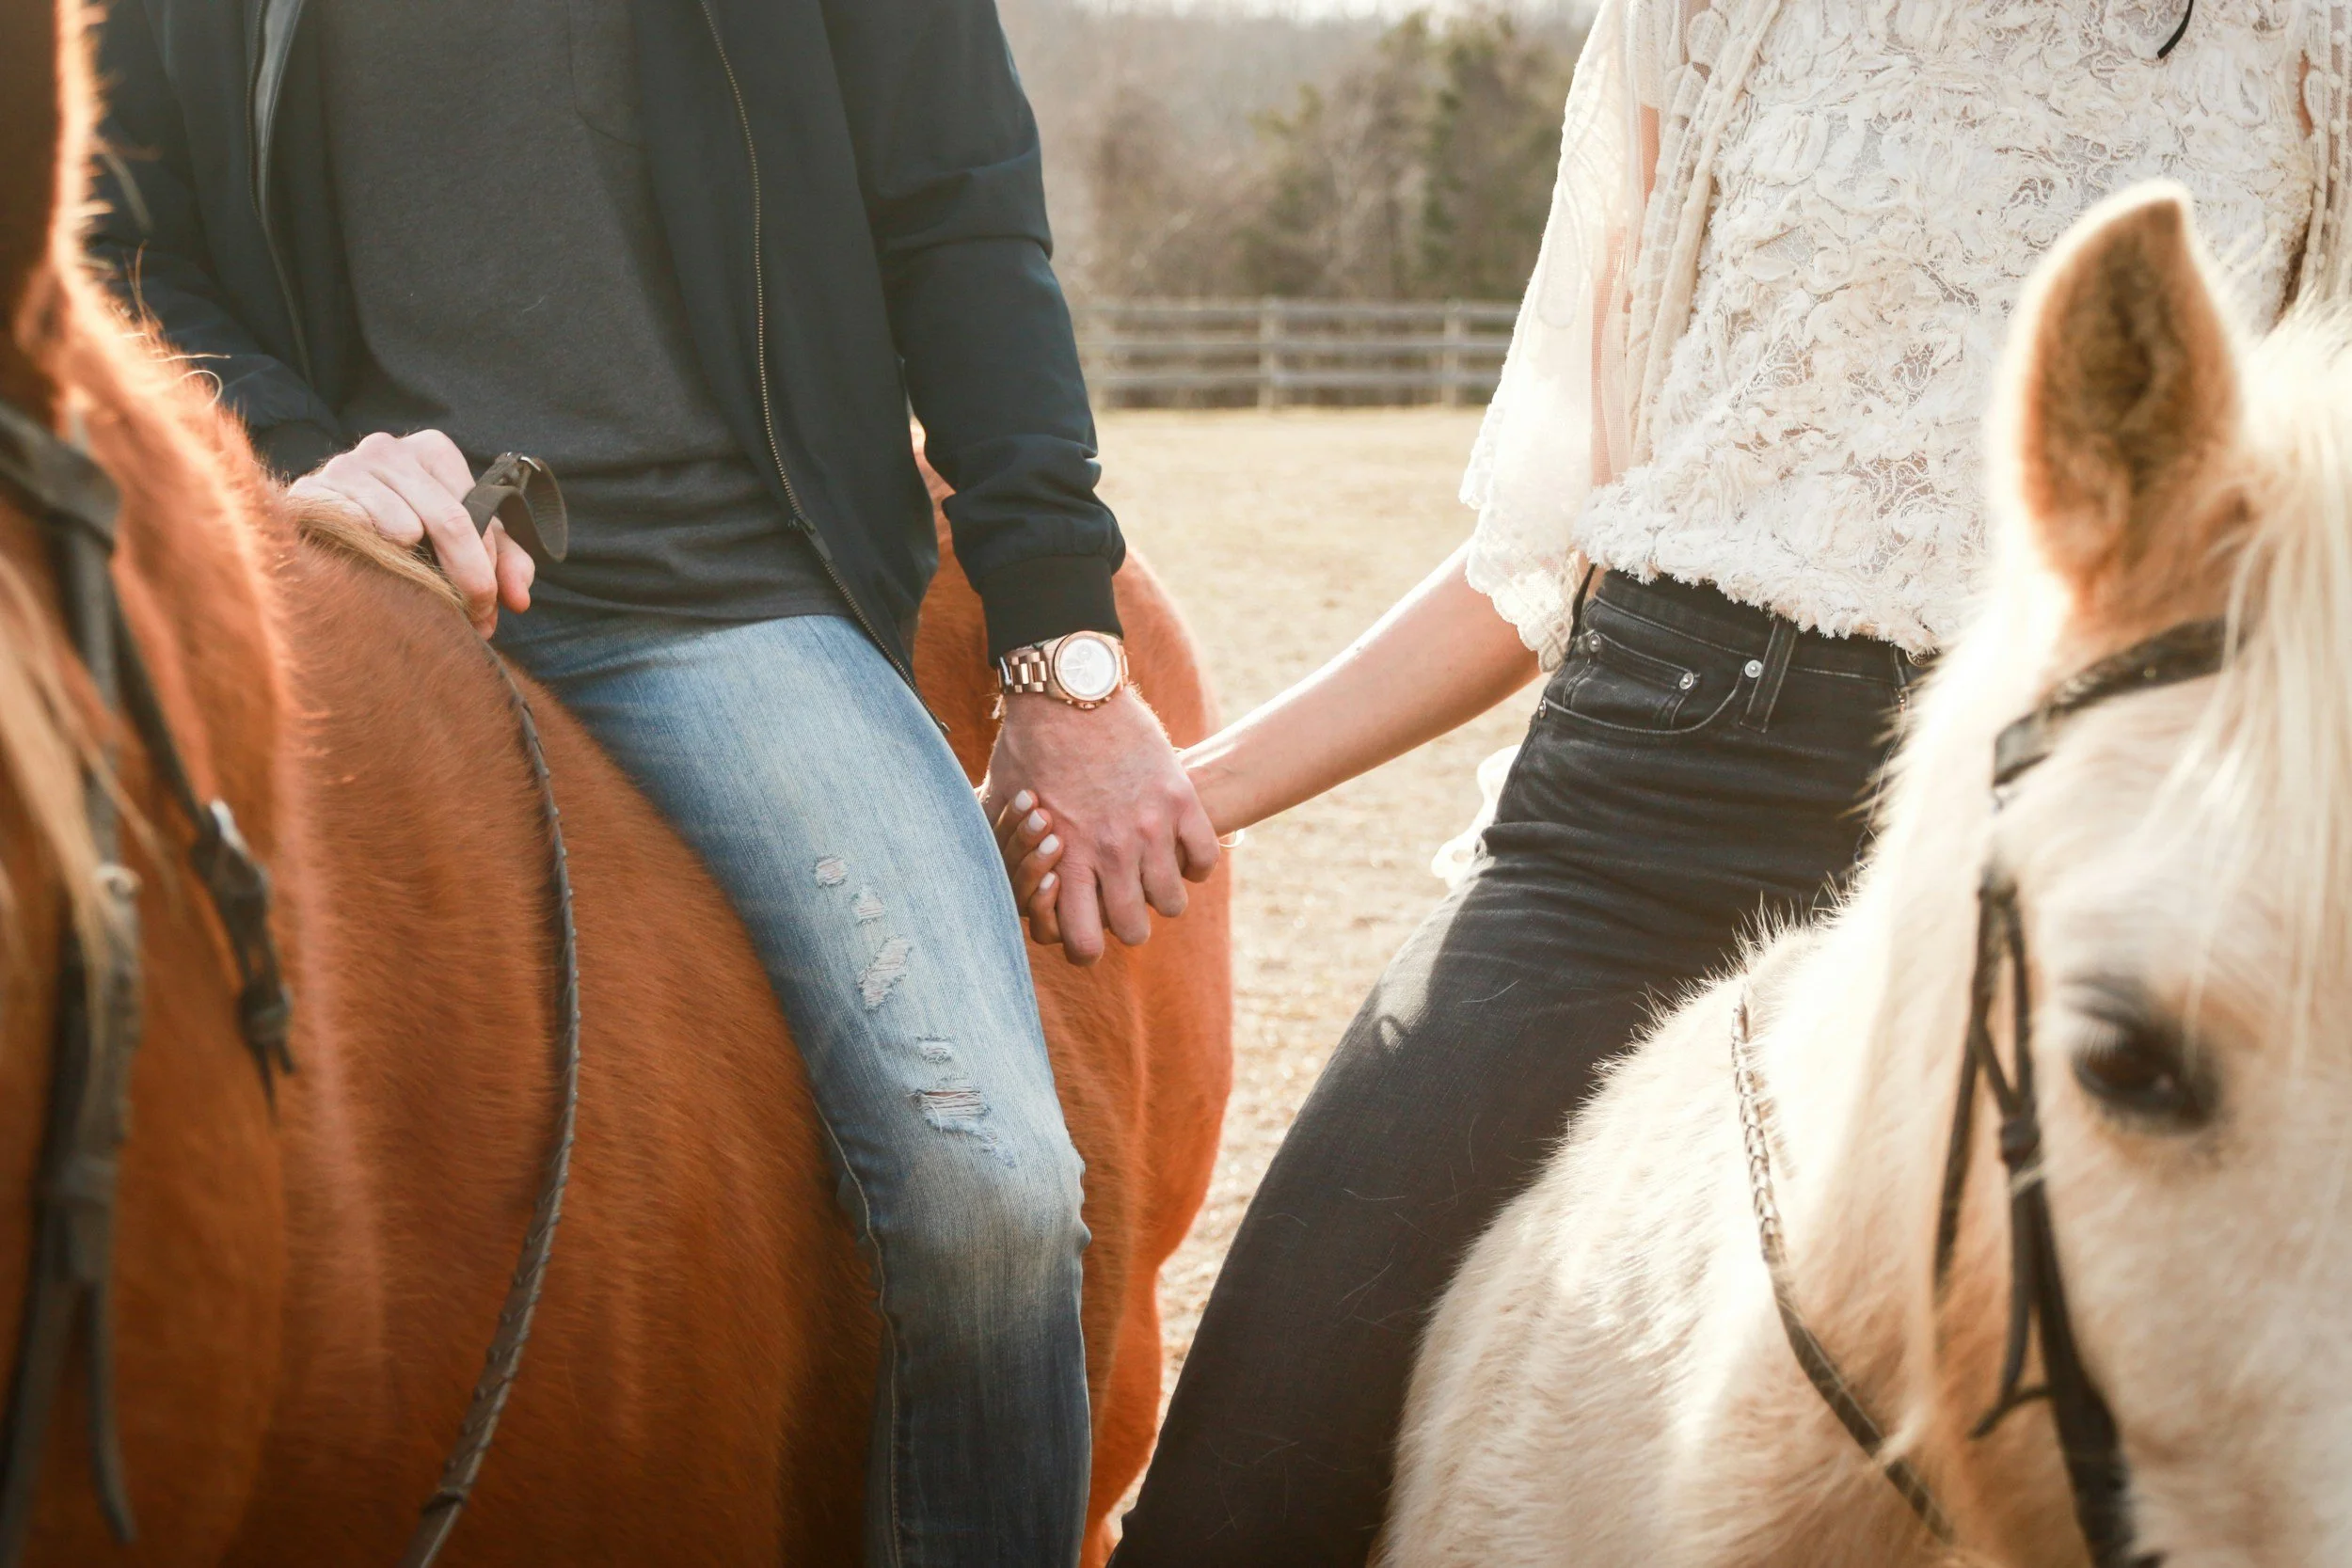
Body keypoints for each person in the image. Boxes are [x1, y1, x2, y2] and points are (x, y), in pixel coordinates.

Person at [1006, 0, 2352, 1560]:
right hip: (1631, 820)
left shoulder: (2308, 40)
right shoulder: (1715, 15)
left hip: (2063, 861)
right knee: (1245, 1487)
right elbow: (1538, 547)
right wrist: (1200, 782)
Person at [87, 1, 1217, 1562]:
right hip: (340, 584)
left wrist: (1056, 648)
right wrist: (299, 447)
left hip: (719, 604)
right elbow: (106, 212)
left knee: (989, 1191)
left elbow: (962, 212)